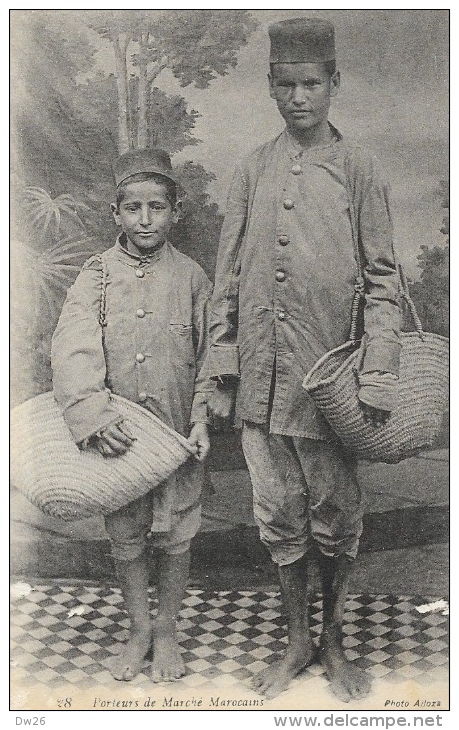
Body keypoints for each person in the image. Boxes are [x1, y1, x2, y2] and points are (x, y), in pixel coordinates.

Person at [207, 18, 401, 702]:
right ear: (269, 86)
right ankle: (296, 641)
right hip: (260, 381)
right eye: (285, 85)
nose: (298, 98)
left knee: (334, 514)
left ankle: (335, 641)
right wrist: (221, 367)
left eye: (311, 83)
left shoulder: (359, 168)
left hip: (329, 385)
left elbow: (382, 279)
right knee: (278, 515)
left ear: (333, 83)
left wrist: (376, 369)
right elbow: (226, 276)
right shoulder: (253, 168)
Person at [51, 148, 212, 683]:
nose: (146, 219)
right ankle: (139, 628)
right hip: (117, 436)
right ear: (115, 212)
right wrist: (93, 417)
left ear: (175, 211)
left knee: (176, 533)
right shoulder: (95, 275)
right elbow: (73, 349)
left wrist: (203, 418)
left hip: (175, 436)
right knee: (125, 534)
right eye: (134, 208)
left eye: (158, 207)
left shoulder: (190, 276)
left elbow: (215, 350)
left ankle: (167, 633)